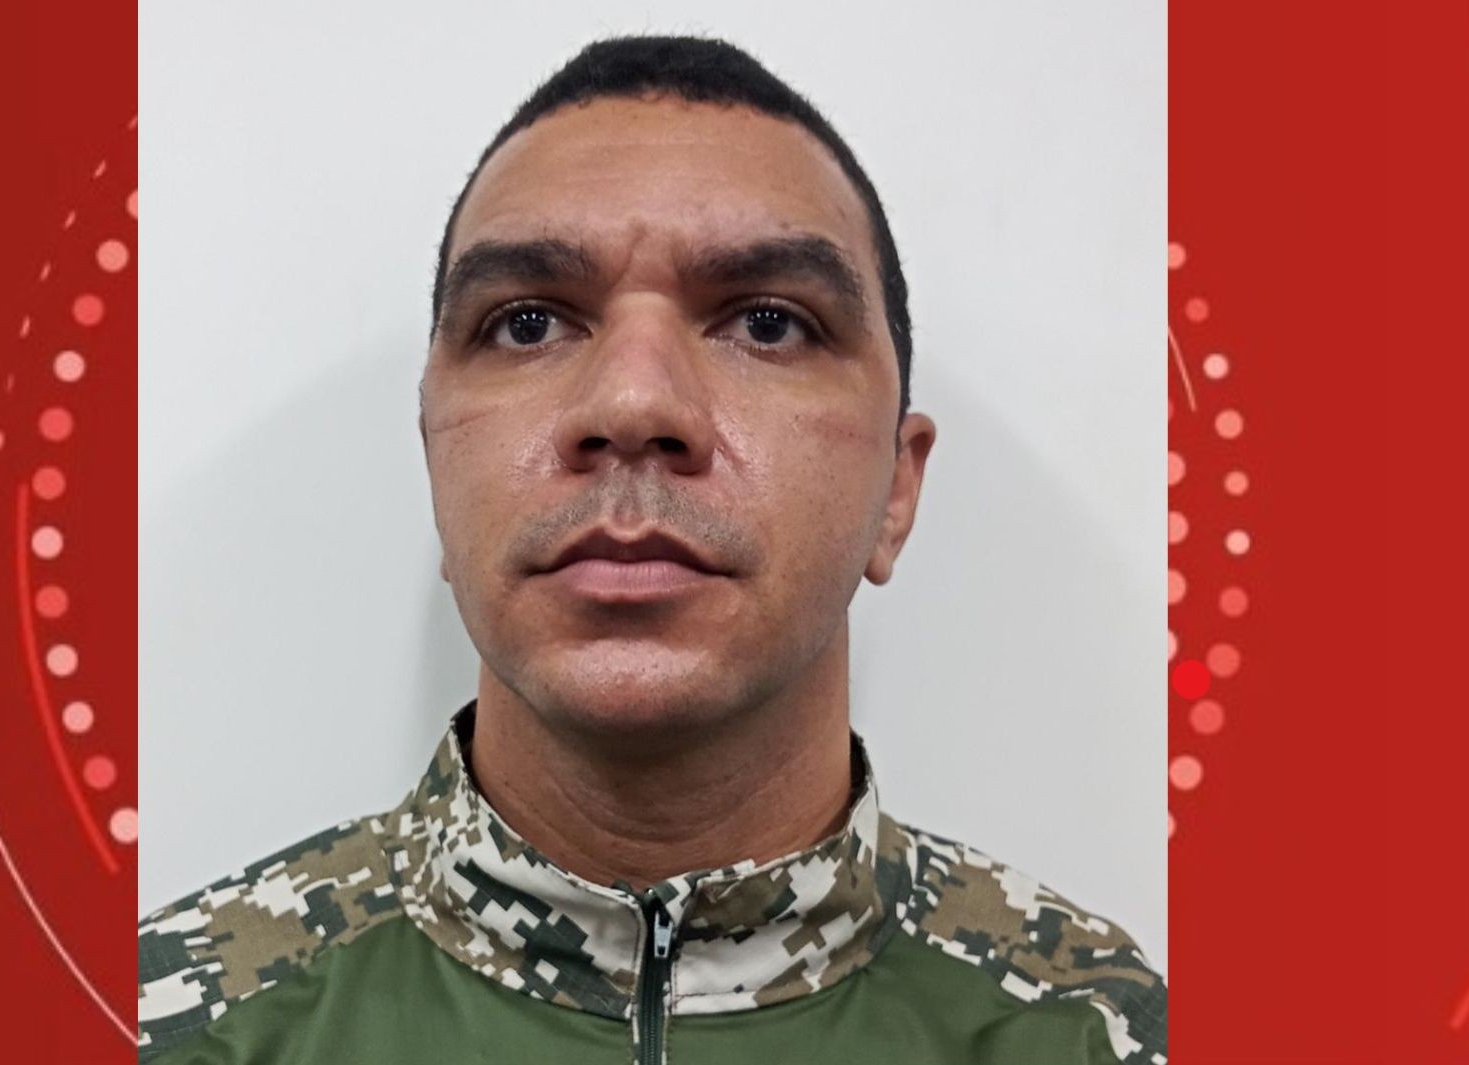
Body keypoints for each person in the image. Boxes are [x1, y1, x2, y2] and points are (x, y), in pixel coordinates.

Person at [136, 34, 1167, 1065]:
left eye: (768, 323)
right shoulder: (168, 1023)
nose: (633, 405)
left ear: (896, 490)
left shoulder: (1097, 1034)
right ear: (436, 464)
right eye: (526, 323)